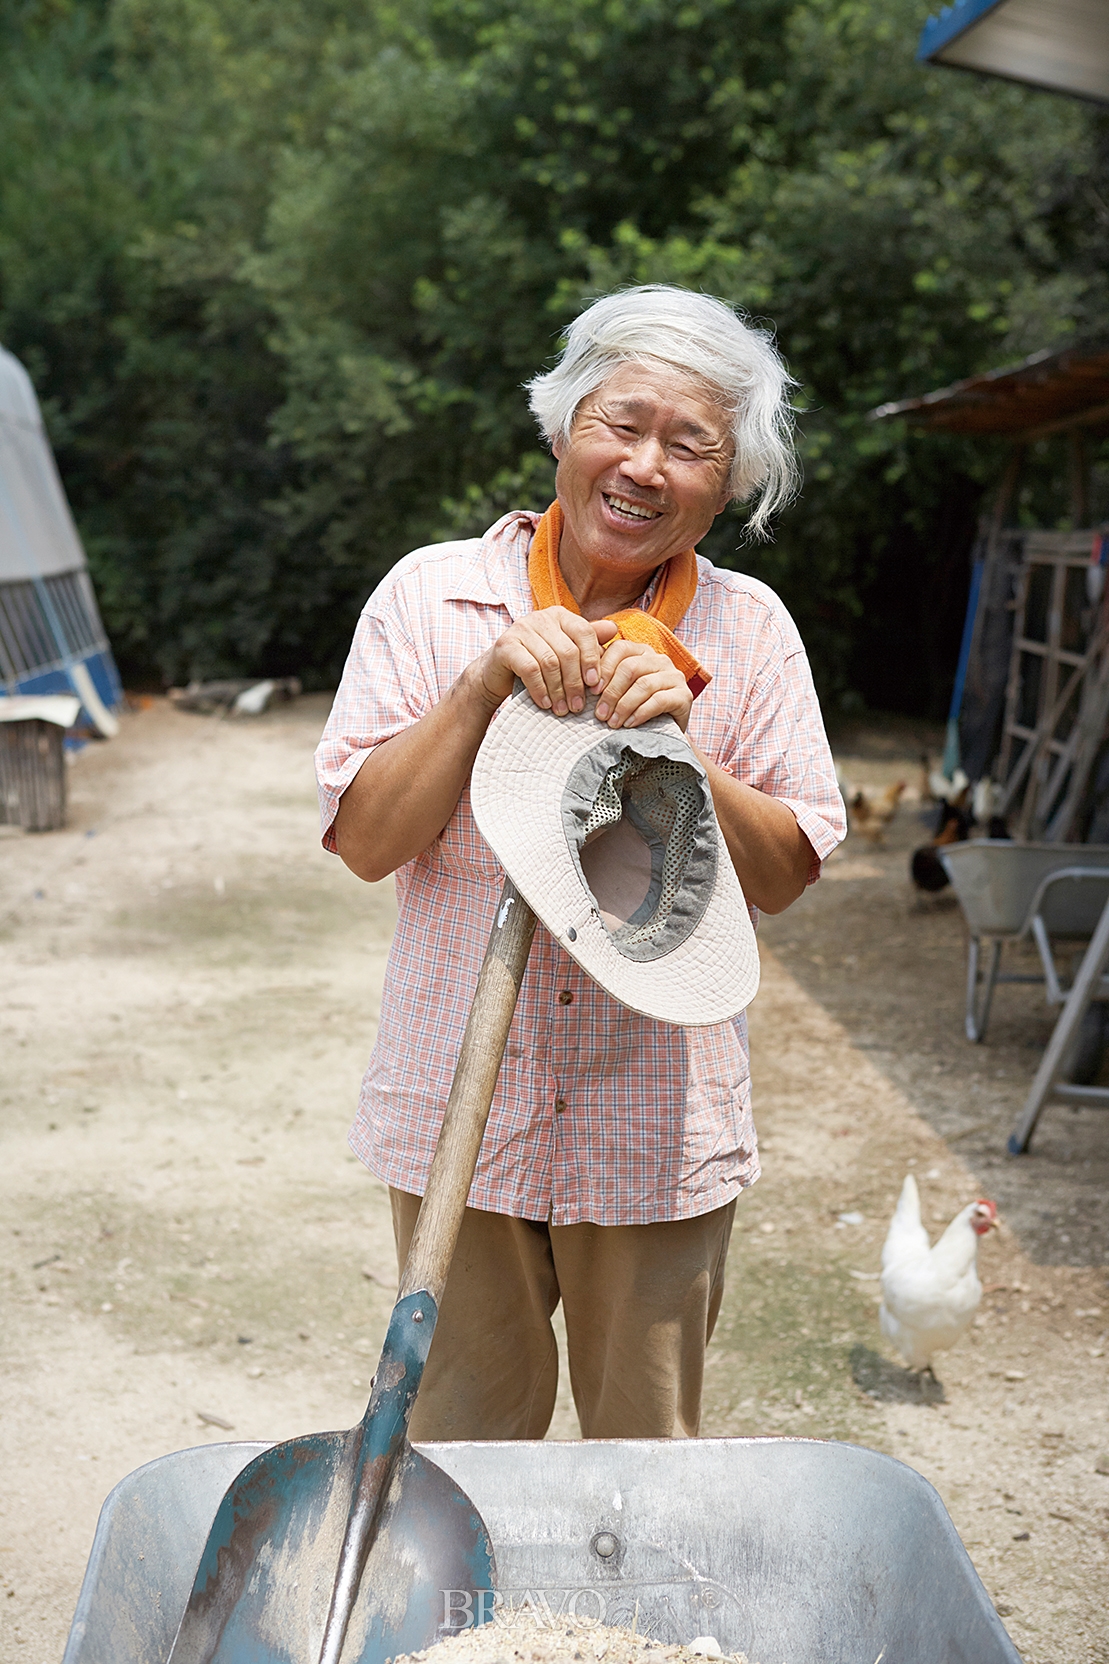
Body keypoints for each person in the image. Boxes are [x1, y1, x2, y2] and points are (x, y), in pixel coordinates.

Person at [315, 284, 845, 1441]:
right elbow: (363, 842)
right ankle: (483, 1634)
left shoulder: (747, 632)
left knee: (643, 1480)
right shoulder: (433, 595)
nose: (645, 464)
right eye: (621, 421)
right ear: (562, 429)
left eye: (690, 442)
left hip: (652, 1127)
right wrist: (477, 688)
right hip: (458, 1112)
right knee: (459, 1456)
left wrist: (686, 750)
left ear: (729, 483)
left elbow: (785, 872)